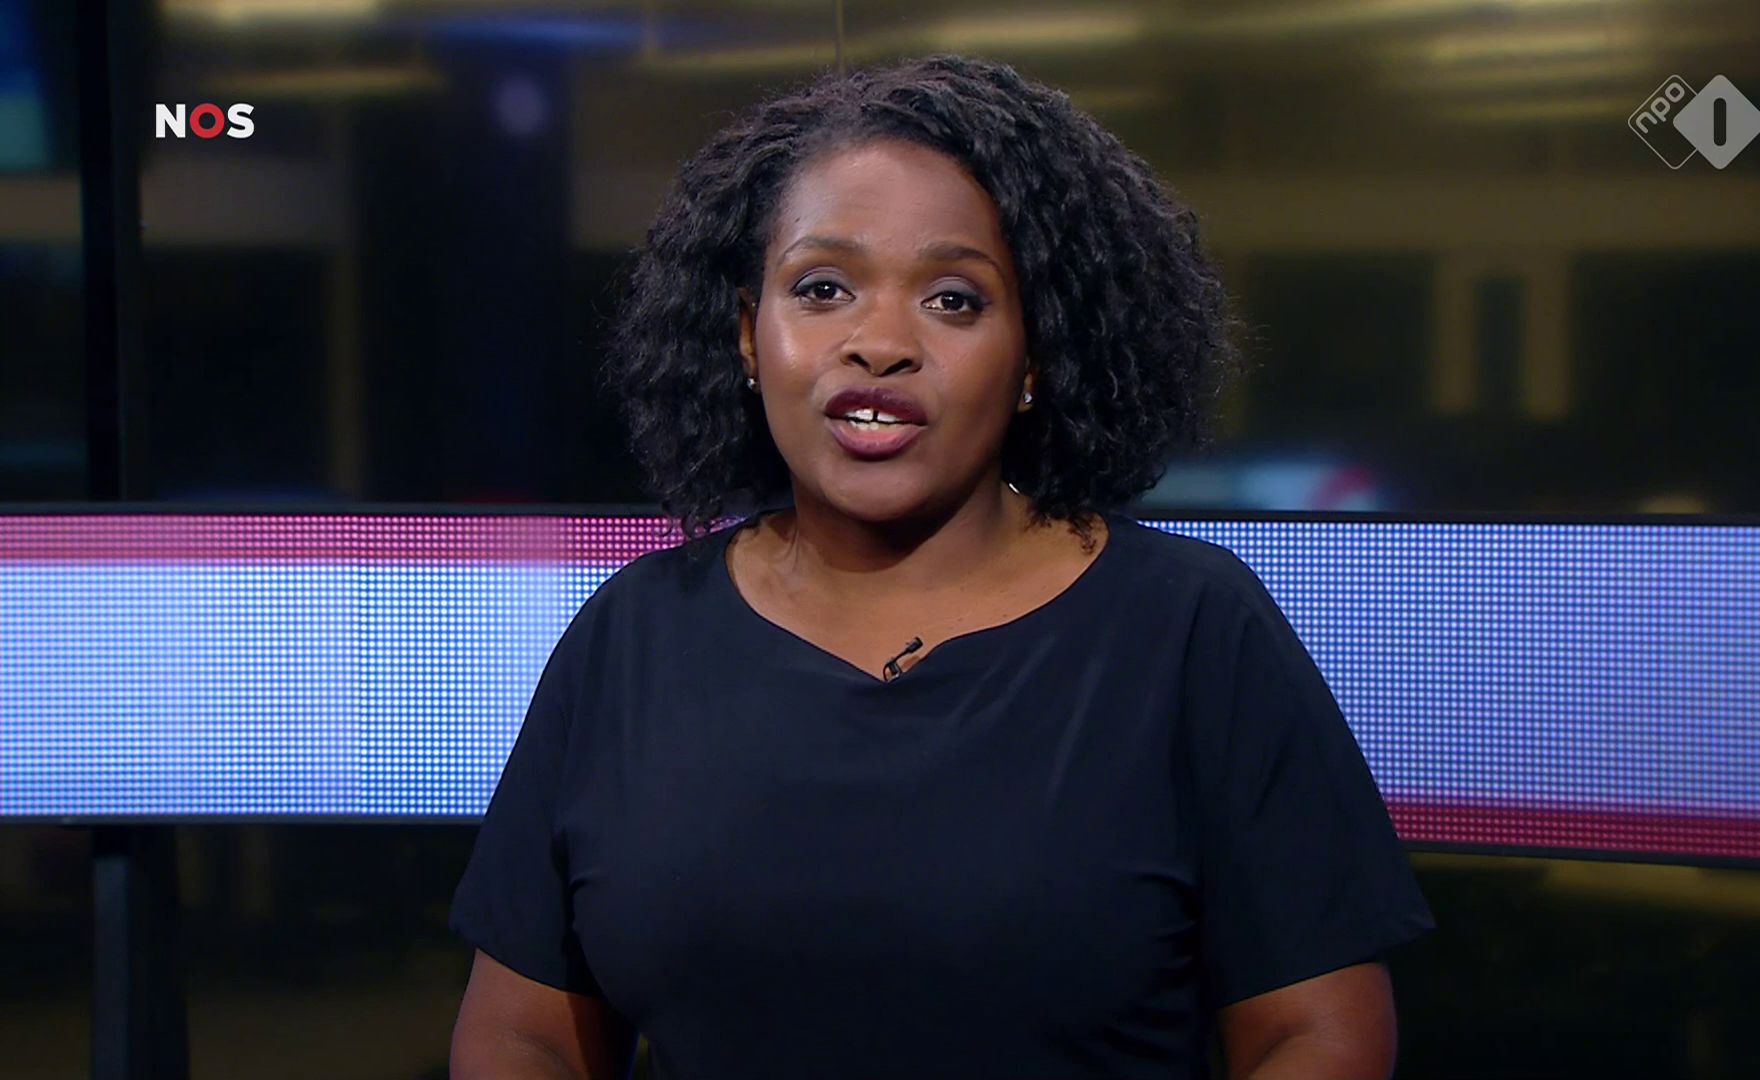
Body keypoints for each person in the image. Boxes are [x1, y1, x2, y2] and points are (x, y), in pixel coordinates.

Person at [448, 53, 1435, 1080]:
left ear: (1034, 357)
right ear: (747, 336)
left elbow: (1317, 1034)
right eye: (822, 288)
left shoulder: (1191, 628)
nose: (879, 343)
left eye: (955, 300)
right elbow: (523, 1035)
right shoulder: (633, 635)